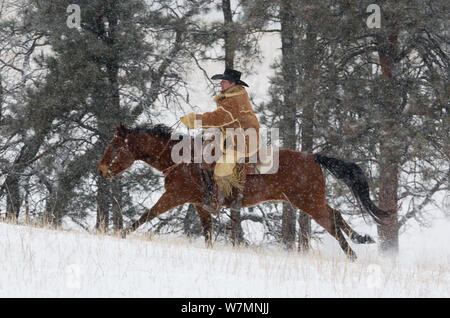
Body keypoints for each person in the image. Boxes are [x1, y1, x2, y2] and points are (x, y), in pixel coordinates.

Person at [180, 68, 261, 213]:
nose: (220, 84)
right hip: (233, 135)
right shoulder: (233, 97)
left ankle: (220, 201)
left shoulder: (234, 100)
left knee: (222, 167)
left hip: (244, 140)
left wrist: (194, 120)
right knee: (205, 149)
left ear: (232, 84)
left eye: (223, 82)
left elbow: (218, 118)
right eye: (221, 82)